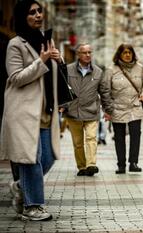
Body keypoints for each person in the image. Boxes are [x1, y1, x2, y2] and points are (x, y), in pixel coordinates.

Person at [0, 0, 62, 221]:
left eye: (39, 11)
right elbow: (15, 78)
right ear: (22, 17)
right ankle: (32, 206)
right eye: (32, 12)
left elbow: (51, 75)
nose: (38, 15)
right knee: (30, 160)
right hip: (24, 112)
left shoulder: (47, 40)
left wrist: (58, 59)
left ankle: (19, 186)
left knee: (49, 157)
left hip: (46, 111)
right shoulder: (16, 44)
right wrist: (41, 61)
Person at [64, 43, 112, 176]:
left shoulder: (98, 71)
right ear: (78, 54)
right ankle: (82, 167)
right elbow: (61, 90)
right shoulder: (68, 70)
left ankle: (91, 164)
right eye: (84, 52)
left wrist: (108, 110)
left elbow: (104, 92)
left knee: (91, 138)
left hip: (91, 111)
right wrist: (62, 106)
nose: (88, 55)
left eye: (90, 52)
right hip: (73, 112)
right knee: (78, 143)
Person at [103, 43, 143, 174]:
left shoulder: (140, 68)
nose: (128, 55)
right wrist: (108, 108)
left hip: (135, 106)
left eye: (130, 52)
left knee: (136, 135)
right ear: (119, 54)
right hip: (117, 107)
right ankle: (121, 165)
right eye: (125, 52)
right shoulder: (110, 69)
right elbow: (105, 89)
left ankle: (133, 163)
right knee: (119, 137)